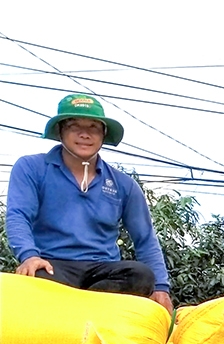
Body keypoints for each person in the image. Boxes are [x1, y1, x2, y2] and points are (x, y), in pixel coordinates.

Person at [5, 94, 173, 314]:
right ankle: (83, 312)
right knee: (36, 277)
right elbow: (18, 215)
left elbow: (145, 238)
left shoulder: (123, 184)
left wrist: (161, 287)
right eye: (74, 126)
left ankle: (81, 311)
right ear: (60, 131)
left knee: (141, 275)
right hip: (53, 266)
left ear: (103, 134)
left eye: (93, 127)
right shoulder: (31, 167)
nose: (85, 134)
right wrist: (29, 256)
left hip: (102, 271)